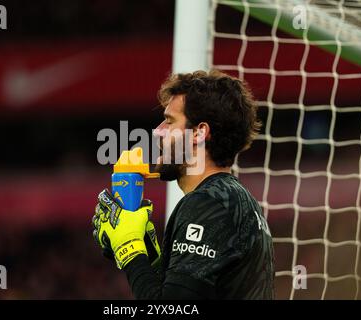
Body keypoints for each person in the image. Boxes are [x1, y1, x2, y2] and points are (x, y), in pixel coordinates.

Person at [92, 70, 275, 299]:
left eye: (169, 121)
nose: (158, 131)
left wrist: (130, 250)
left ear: (199, 132)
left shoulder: (208, 203)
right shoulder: (235, 199)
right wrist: (149, 257)